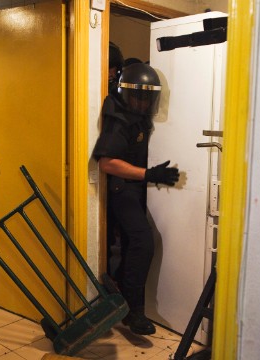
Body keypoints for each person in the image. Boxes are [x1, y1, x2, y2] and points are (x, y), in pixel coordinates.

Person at [93, 62, 180, 335]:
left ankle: (119, 290)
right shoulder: (118, 118)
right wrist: (149, 173)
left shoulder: (137, 115)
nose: (142, 103)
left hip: (137, 185)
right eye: (137, 97)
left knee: (133, 243)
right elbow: (107, 163)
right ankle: (135, 312)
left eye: (147, 97)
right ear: (124, 94)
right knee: (142, 241)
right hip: (122, 187)